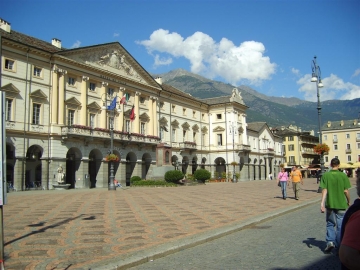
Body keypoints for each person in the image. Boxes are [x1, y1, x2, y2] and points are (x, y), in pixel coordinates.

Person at [320, 158, 351, 253]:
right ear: (339, 165)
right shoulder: (343, 175)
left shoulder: (326, 175)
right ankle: (338, 245)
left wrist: (322, 203)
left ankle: (330, 242)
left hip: (330, 203)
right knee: (340, 226)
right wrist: (349, 201)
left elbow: (324, 190)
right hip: (341, 204)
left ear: (330, 164)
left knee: (330, 223)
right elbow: (346, 191)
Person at [339, 173, 360, 269]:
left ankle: (332, 242)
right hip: (341, 205)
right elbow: (348, 257)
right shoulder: (358, 215)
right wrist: (348, 200)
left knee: (333, 225)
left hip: (331, 205)